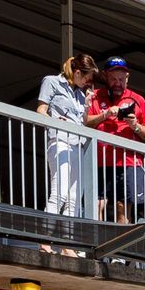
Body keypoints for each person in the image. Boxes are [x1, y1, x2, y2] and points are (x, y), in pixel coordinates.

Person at [87, 57, 145, 223]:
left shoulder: (138, 100)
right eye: (113, 79)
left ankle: (121, 248)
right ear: (105, 77)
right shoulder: (95, 96)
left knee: (122, 209)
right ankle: (94, 244)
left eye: (121, 79)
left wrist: (135, 126)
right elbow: (83, 122)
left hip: (128, 162)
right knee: (97, 204)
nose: (117, 83)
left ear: (127, 78)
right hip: (99, 161)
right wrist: (105, 115)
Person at [35, 53, 101, 219]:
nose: (89, 83)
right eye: (88, 79)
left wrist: (87, 104)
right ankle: (46, 240)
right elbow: (41, 110)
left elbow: (83, 121)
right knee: (59, 193)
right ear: (78, 73)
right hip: (60, 141)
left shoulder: (79, 94)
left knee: (75, 199)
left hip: (77, 144)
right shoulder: (52, 82)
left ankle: (68, 244)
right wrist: (56, 122)